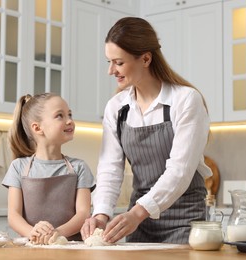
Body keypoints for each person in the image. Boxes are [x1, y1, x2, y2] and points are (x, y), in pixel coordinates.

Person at [80, 17, 212, 244]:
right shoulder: (117, 108)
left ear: (146, 59)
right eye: (109, 62)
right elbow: (110, 169)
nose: (111, 71)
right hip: (140, 223)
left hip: (184, 222)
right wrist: (101, 214)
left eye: (118, 63)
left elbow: (179, 171)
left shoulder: (186, 100)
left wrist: (137, 213)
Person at [2, 93, 95, 244]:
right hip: (32, 246)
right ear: (37, 128)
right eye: (60, 115)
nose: (70, 120)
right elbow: (13, 216)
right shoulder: (18, 167)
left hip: (71, 248)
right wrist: (33, 233)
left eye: (69, 114)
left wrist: (56, 233)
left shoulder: (79, 167)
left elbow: (83, 213)